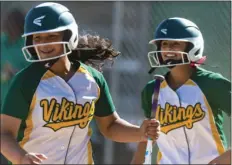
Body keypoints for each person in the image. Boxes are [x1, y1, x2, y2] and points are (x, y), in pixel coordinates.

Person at [0, 2, 160, 164]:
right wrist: (21, 157)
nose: (43, 44)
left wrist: (140, 133)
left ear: (69, 36)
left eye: (51, 36)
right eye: (37, 38)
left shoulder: (92, 78)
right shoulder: (25, 81)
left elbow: (110, 126)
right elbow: (4, 133)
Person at [131, 17, 231, 164]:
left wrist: (226, 158)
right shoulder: (152, 90)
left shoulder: (212, 84)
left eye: (176, 43)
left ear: (193, 46)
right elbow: (147, 138)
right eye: (164, 44)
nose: (169, 49)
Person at [1, 8, 29, 105]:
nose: (11, 32)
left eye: (14, 29)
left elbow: (34, 75)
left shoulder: (28, 47)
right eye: (9, 28)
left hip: (18, 101)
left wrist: (15, 72)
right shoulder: (1, 42)